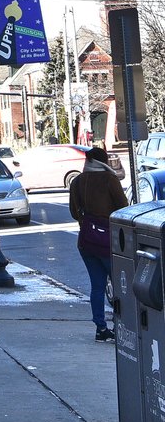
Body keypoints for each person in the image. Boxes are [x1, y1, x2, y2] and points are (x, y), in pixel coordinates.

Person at [67, 145, 127, 341]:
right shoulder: (110, 180)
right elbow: (123, 209)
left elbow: (74, 212)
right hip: (107, 241)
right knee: (120, 285)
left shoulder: (77, 181)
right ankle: (123, 325)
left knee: (97, 286)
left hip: (86, 241)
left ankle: (100, 327)